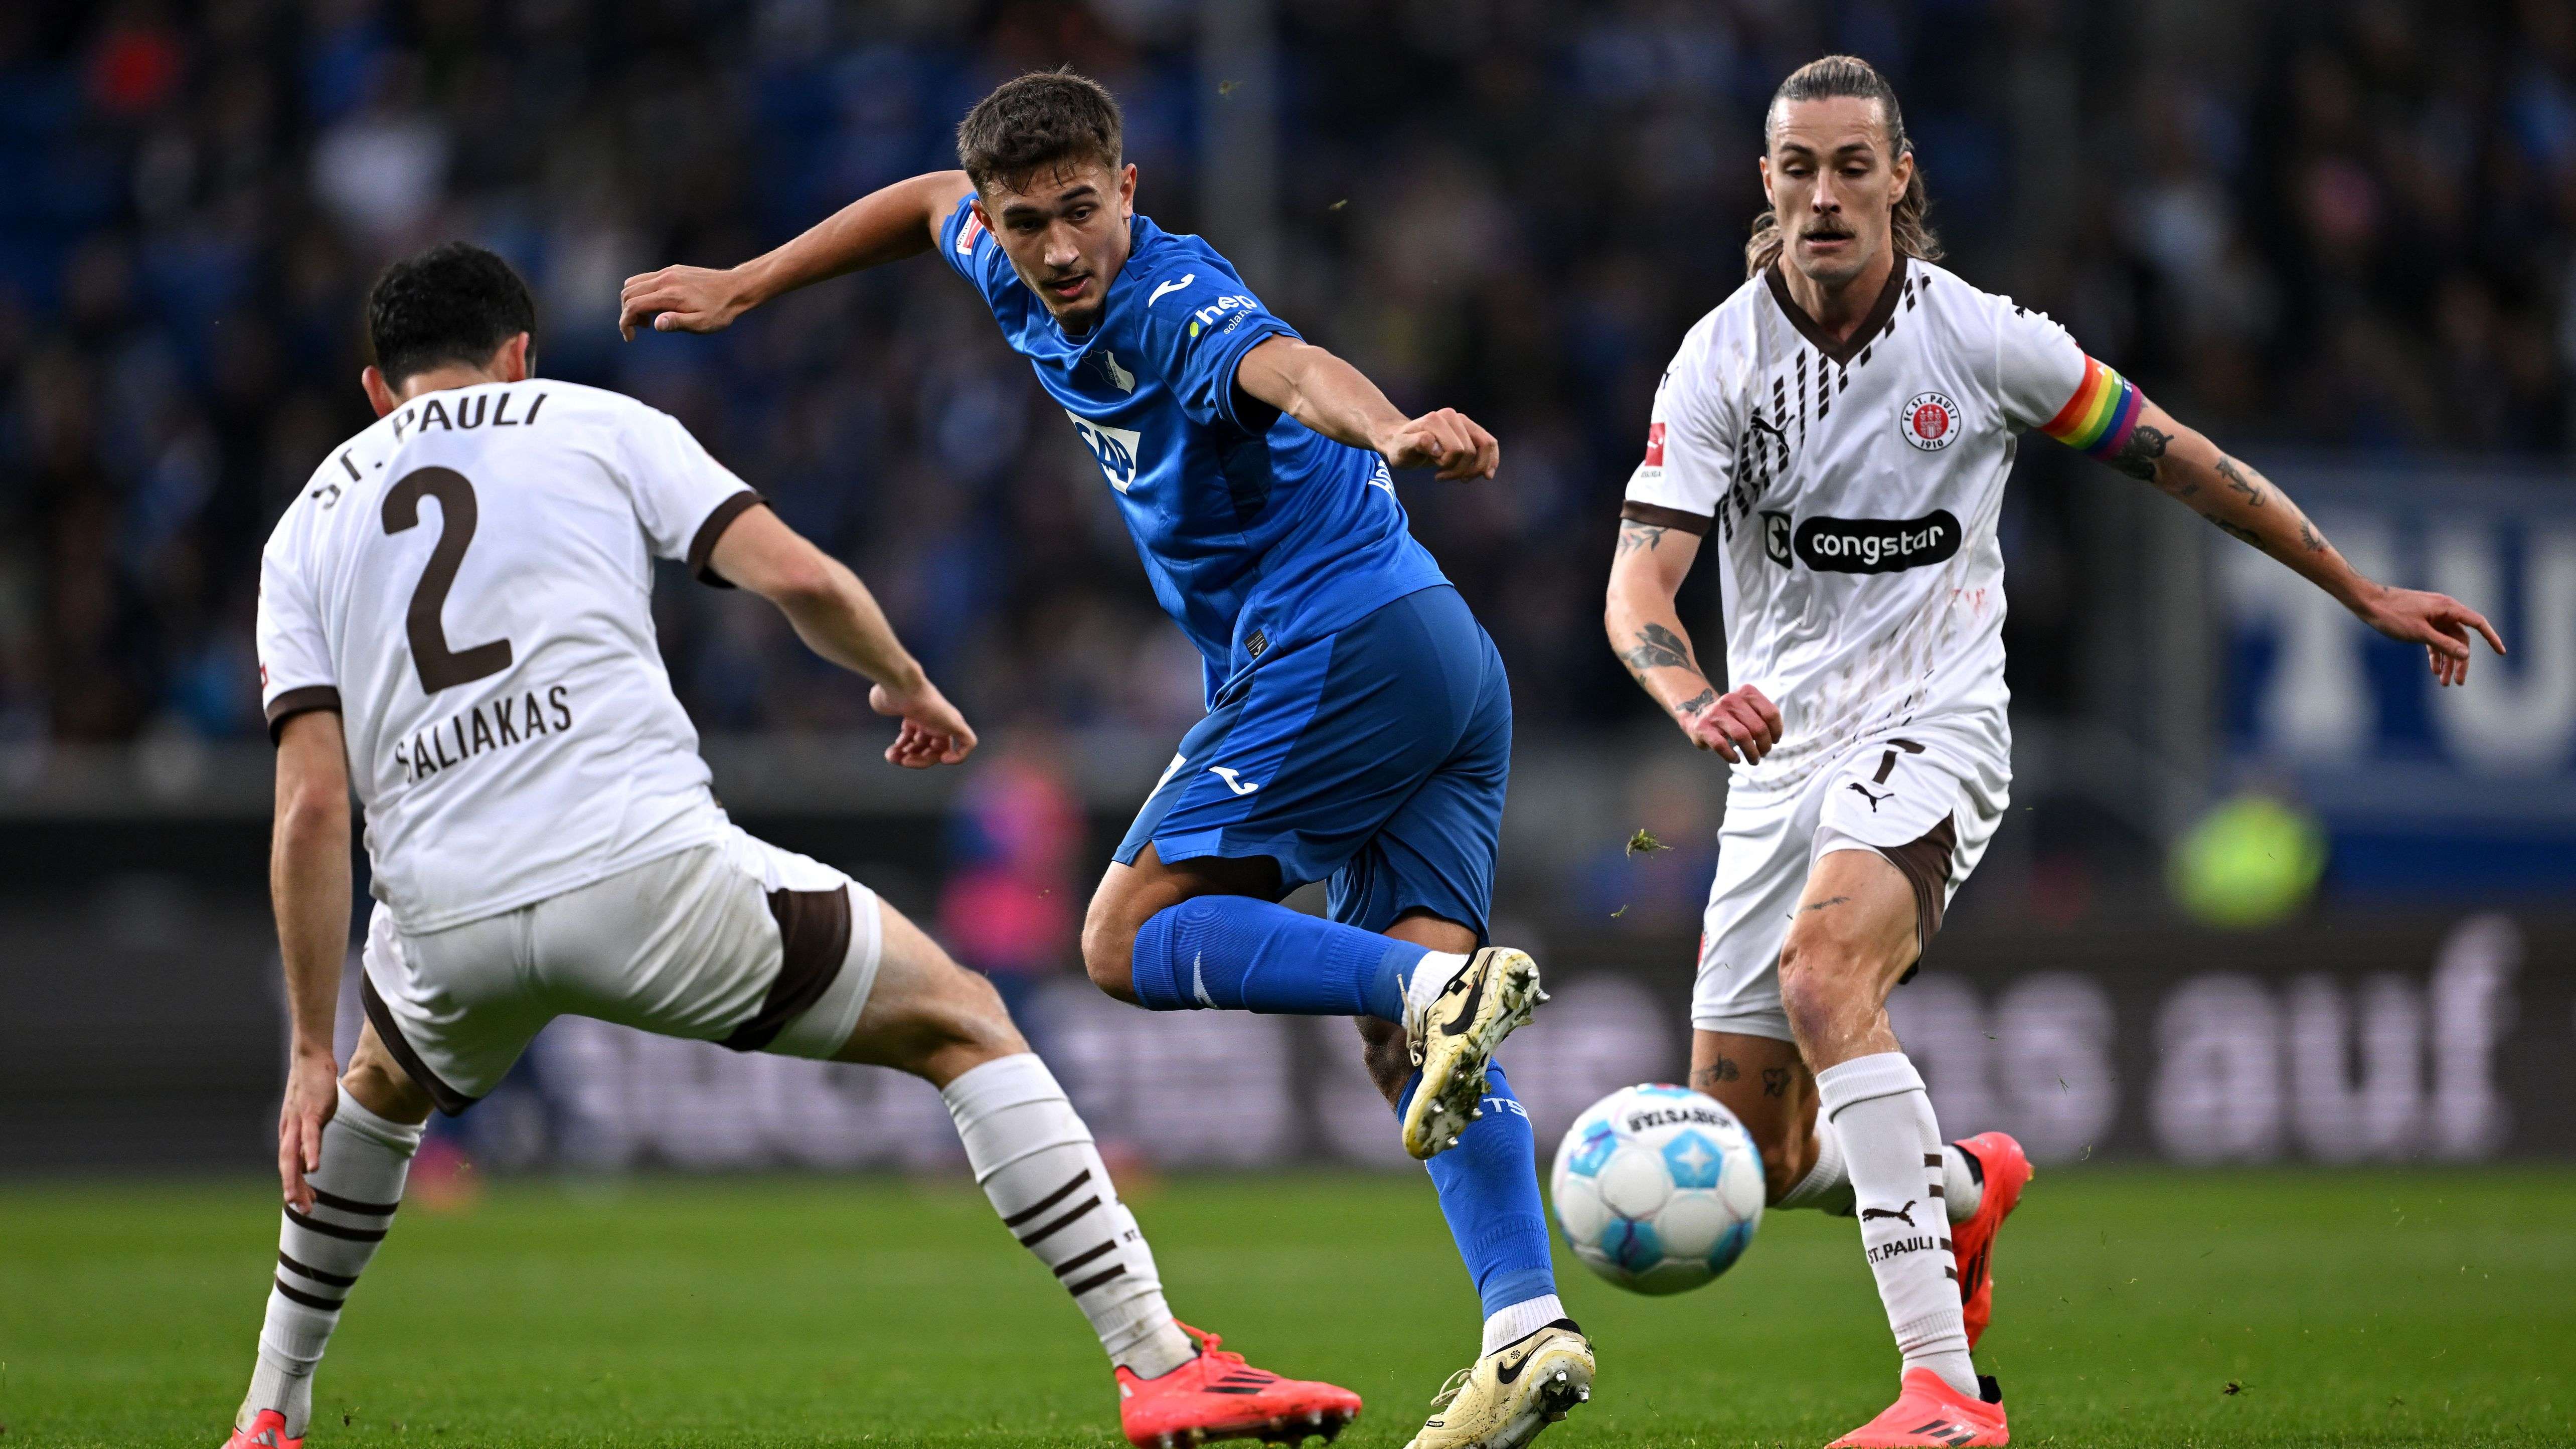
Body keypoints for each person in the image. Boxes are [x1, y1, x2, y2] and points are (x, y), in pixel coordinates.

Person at [227, 242, 1360, 1449]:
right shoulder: (590, 420)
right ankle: (1161, 1358)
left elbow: (310, 808)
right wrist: (907, 682)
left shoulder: (306, 525)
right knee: (965, 1019)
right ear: (520, 352)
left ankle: (269, 1410)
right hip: (639, 868)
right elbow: (800, 578)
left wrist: (308, 1041)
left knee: (374, 1098)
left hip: (443, 916)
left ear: (375, 387)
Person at [619, 69, 1589, 1449]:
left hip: (1345, 638)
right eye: (1031, 223)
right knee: (1408, 1050)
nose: (1062, 248)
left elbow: (1286, 365)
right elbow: (921, 201)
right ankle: (1524, 1328)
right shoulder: (998, 249)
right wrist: (747, 284)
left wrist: (1395, 425)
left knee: (1127, 938)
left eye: (1085, 210)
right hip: (1438, 660)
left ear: (1130, 190)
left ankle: (1443, 984)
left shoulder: (1168, 298)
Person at [1602, 56, 2506, 1449]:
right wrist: (1691, 699)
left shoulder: (1985, 343)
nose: (1828, 195)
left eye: (1856, 165)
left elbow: (2181, 455)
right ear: (1765, 186)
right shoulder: (1718, 360)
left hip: (1935, 726)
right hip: (1778, 756)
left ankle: (1946, 1399)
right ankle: (1965, 1186)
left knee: (1825, 971)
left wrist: (2361, 589)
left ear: (1902, 176)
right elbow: (1639, 588)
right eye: (1802, 169)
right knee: (1764, 1155)